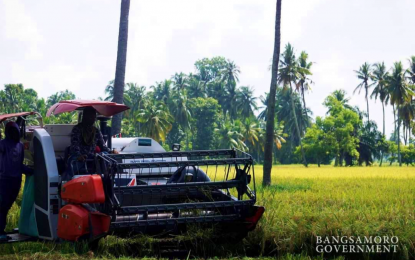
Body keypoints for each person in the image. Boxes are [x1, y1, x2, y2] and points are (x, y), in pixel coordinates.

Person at [0, 122, 33, 241]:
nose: (14, 133)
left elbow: (20, 165)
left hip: (16, 181)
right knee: (2, 206)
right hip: (4, 180)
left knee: (7, 205)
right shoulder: (3, 144)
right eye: (11, 131)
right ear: (8, 132)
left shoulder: (20, 146)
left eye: (15, 130)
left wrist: (32, 171)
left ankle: (1, 230)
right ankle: (0, 231)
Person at [62, 107, 113, 181]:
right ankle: (64, 183)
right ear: (84, 116)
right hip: (78, 158)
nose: (92, 119)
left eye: (93, 116)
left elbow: (103, 147)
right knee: (72, 166)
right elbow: (74, 146)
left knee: (105, 155)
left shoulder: (96, 131)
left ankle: (107, 182)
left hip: (92, 159)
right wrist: (79, 156)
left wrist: (111, 151)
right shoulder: (77, 129)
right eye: (90, 116)